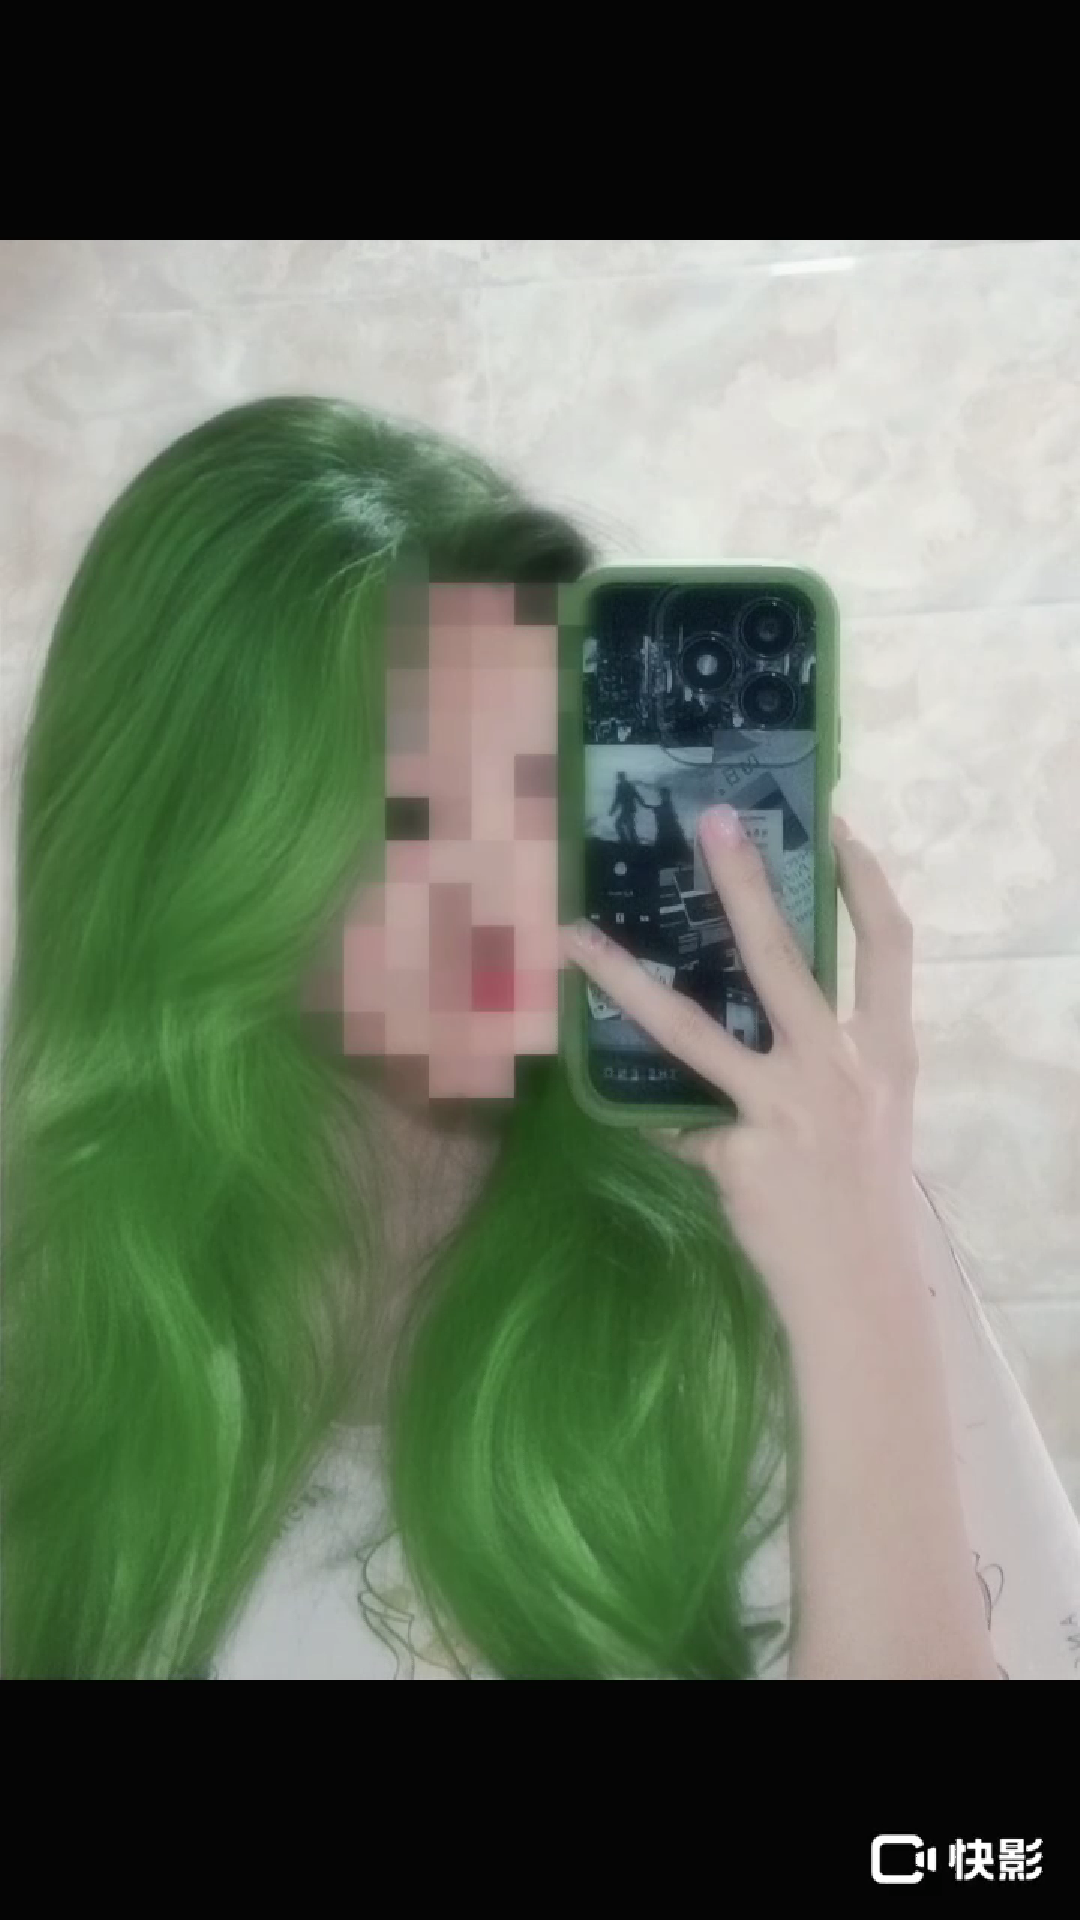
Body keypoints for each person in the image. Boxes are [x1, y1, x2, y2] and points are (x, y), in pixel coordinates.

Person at [4, 397, 1078, 1681]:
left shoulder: (802, 1235)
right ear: (192, 842)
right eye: (405, 809)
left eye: (540, 777)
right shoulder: (53, 1333)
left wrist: (856, 1288)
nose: (512, 874)